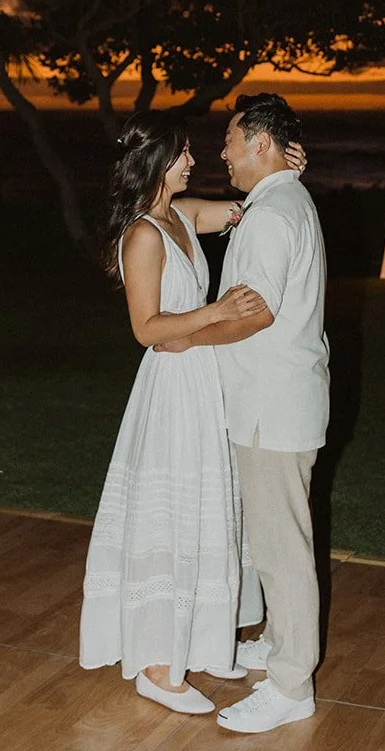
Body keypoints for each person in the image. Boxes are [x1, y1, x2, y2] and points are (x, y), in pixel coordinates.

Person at [78, 110, 267, 715]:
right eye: (183, 152)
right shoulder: (143, 235)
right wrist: (217, 312)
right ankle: (158, 668)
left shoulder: (181, 216)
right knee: (171, 517)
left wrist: (283, 170)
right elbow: (146, 328)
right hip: (171, 390)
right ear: (159, 161)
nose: (193, 160)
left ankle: (203, 642)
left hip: (203, 381)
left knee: (209, 509)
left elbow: (244, 208)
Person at [154, 93, 329, 735]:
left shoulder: (274, 214)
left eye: (230, 139)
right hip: (278, 402)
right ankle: (281, 643)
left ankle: (291, 685)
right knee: (272, 540)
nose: (221, 153)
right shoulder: (281, 200)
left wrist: (188, 338)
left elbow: (255, 311)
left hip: (271, 407)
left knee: (282, 550)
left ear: (259, 143)